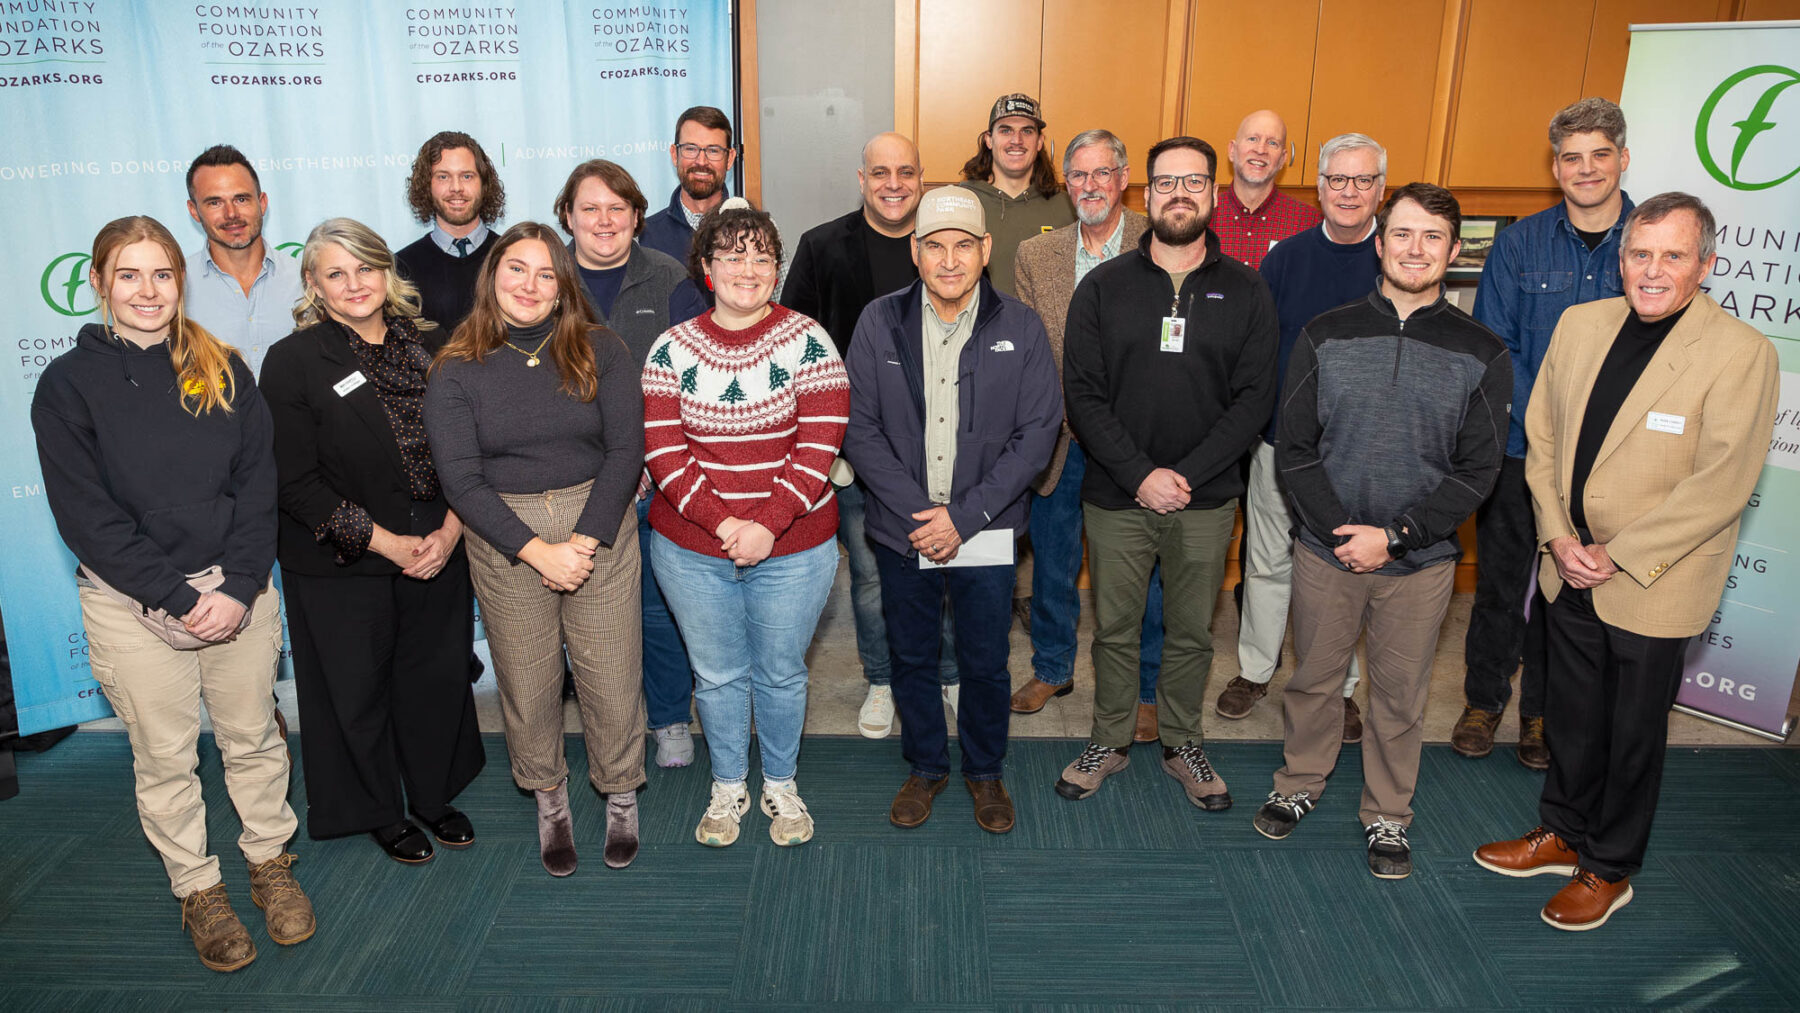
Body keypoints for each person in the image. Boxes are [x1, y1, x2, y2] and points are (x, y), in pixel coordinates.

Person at [1475, 193, 1777, 930]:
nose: (1652, 270)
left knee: (1631, 731)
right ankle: (1562, 831)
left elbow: (1723, 481)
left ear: (1706, 264)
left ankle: (1609, 866)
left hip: (1654, 579)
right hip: (1568, 564)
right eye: (1640, 253)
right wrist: (1557, 537)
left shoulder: (1742, 353)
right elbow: (1540, 436)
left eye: (1673, 255)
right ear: (1621, 258)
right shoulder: (1582, 325)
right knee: (1572, 717)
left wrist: (1616, 553)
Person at [31, 215, 314, 972]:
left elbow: (259, 485)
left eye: (162, 274)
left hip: (239, 592)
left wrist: (243, 585)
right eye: (129, 275)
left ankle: (269, 863)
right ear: (98, 283)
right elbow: (86, 515)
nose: (148, 290)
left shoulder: (223, 366)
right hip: (132, 602)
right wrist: (176, 598)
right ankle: (198, 887)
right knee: (165, 755)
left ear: (180, 281)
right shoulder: (66, 386)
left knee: (254, 736)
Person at [1254, 184, 1510, 881]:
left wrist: (1393, 536)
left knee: (1400, 695)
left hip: (1421, 563)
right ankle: (1299, 783)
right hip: (1327, 550)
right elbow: (1296, 446)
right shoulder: (1324, 332)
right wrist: (1343, 531)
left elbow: (1477, 469)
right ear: (1379, 241)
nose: (1415, 248)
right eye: (1402, 234)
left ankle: (1389, 812)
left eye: (1432, 237)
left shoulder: (1482, 350)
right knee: (1314, 681)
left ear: (1454, 252)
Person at [1057, 136, 1276, 810]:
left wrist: (1186, 474)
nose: (1179, 193)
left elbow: (1254, 399)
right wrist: (1139, 474)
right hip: (1118, 496)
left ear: (1213, 193)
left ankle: (1183, 742)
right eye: (1166, 181)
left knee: (1189, 630)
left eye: (1194, 181)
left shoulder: (1245, 289)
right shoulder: (1102, 288)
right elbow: (1084, 395)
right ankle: (1109, 739)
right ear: (1144, 193)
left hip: (1206, 500)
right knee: (1115, 629)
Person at [425, 222, 647, 878]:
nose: (530, 284)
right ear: (492, 277)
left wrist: (582, 539)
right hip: (503, 533)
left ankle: (620, 790)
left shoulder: (600, 348)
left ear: (562, 288)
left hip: (597, 520)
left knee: (611, 672)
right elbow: (459, 479)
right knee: (528, 679)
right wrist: (535, 551)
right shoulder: (455, 367)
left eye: (546, 273)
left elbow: (625, 450)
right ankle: (549, 796)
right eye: (517, 269)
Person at [260, 218, 485, 866]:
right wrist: (385, 542)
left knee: (435, 678)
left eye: (365, 268)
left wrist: (449, 528)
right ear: (314, 284)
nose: (354, 284)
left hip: (439, 541)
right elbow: (295, 482)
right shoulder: (293, 360)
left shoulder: (433, 344)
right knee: (356, 692)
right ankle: (380, 809)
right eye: (336, 272)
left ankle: (434, 794)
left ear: (387, 274)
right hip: (343, 559)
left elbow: (468, 449)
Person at [844, 185, 1060, 833]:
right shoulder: (878, 321)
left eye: (962, 245)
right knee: (910, 654)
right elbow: (859, 427)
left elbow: (1038, 433)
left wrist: (961, 519)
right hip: (901, 526)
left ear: (985, 250)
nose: (948, 259)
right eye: (933, 245)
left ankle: (985, 771)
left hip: (986, 531)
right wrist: (920, 514)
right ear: (914, 252)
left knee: (985, 658)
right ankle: (927, 765)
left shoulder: (1019, 326)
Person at [642, 199, 848, 848]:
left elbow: (819, 447)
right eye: (732, 255)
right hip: (692, 549)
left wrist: (766, 524)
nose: (748, 268)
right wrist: (725, 523)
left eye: (762, 256)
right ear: (705, 266)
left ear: (778, 269)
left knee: (782, 672)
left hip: (796, 546)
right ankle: (727, 784)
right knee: (719, 675)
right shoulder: (670, 349)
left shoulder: (810, 340)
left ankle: (780, 783)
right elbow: (664, 452)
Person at [1454, 98, 1635, 769]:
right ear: (1554, 165)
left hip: (1610, 461)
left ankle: (1540, 715)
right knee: (1501, 582)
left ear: (1622, 157)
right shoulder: (1518, 243)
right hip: (1518, 448)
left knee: (1571, 590)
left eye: (1598, 155)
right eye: (1571, 157)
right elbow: (1497, 345)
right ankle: (1483, 700)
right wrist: (1549, 428)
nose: (1584, 169)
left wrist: (1587, 436)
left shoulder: (1647, 244)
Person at [781, 131, 959, 738]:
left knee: (948, 565)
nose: (892, 184)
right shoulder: (822, 246)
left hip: (945, 444)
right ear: (862, 179)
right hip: (857, 452)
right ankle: (882, 679)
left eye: (905, 171)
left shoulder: (945, 249)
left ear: (921, 178)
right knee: (872, 574)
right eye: (880, 172)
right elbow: (794, 344)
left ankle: (948, 673)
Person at [1218, 132, 1387, 735]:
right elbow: (1260, 351)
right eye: (1338, 180)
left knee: (1344, 572)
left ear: (1380, 190)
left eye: (1362, 180)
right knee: (1266, 563)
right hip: (1280, 442)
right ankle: (1256, 670)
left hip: (1358, 453)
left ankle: (1338, 687)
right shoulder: (1285, 258)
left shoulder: (1394, 261)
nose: (1349, 191)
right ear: (1318, 187)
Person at [1008, 129, 1162, 743]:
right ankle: (1052, 669)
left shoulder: (1159, 242)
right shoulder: (1034, 255)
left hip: (1134, 444)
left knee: (1139, 572)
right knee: (1053, 563)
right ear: (1066, 183)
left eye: (1103, 173)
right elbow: (1028, 353)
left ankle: (1145, 689)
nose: (1090, 185)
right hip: (1062, 440)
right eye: (1079, 175)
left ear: (1124, 179)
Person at [554, 158, 709, 767]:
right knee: (587, 621)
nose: (604, 220)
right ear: (567, 215)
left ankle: (670, 717)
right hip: (566, 483)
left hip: (656, 480)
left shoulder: (670, 276)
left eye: (617, 208)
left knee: (656, 605)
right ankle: (608, 729)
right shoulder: (543, 277)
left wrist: (652, 463)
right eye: (589, 208)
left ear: (638, 217)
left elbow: (690, 381)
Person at [183, 144, 304, 365]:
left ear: (262, 202)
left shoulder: (305, 279)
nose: (231, 214)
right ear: (194, 211)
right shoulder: (175, 287)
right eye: (215, 202)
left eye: (241, 199)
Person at [958, 93, 1075, 297]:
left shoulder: (1067, 207)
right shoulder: (963, 203)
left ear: (1039, 142)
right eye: (1006, 130)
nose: (1017, 140)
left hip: (1045, 328)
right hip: (978, 327)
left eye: (1027, 131)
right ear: (989, 139)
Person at [394, 130, 507, 333]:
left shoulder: (511, 257)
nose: (456, 188)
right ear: (426, 186)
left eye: (466, 176)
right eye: (443, 176)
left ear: (483, 183)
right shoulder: (401, 268)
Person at [1210, 110, 1321, 270]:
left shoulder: (1308, 222)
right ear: (1232, 150)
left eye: (1272, 143)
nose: (1261, 150)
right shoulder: (1203, 215)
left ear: (1283, 159)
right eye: (1252, 139)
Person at [641, 105, 737, 263]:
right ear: (674, 154)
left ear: (730, 158)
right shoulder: (644, 238)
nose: (701, 161)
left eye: (713, 150)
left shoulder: (757, 231)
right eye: (691, 149)